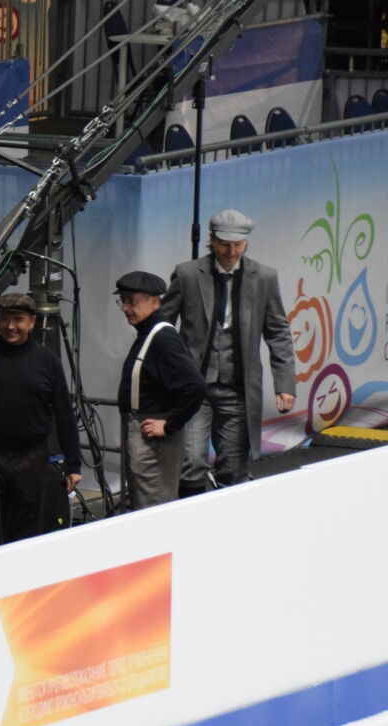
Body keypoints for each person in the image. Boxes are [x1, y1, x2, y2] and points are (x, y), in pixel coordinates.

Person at [160, 209, 296, 495]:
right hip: (194, 387)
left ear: (246, 243)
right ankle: (190, 515)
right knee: (191, 461)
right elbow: (163, 326)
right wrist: (165, 374)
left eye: (238, 245)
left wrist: (284, 384)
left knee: (233, 467)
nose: (231, 251)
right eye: (224, 244)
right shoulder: (187, 274)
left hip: (238, 388)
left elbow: (278, 332)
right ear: (211, 240)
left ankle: (227, 518)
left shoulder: (264, 277)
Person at [0, 293, 82, 542]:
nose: (10, 326)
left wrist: (73, 464)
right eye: (4, 319)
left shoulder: (47, 361)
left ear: (32, 322)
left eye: (17, 319)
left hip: (31, 458)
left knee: (29, 526)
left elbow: (64, 413)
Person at [115, 271, 206, 509]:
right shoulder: (149, 333)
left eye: (132, 301)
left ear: (155, 302)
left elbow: (195, 386)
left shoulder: (162, 338)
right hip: (143, 433)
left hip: (153, 440)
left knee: (154, 505)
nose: (125, 308)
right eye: (122, 301)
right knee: (146, 502)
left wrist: (169, 425)